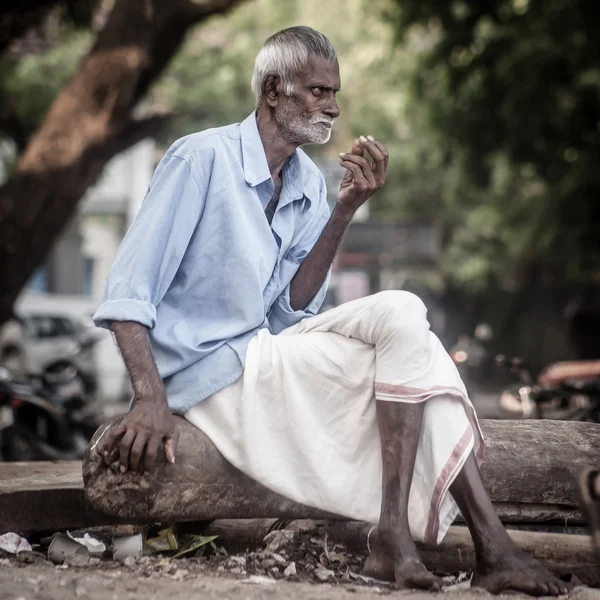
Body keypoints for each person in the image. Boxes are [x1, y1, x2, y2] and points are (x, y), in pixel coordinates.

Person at [93, 26, 568, 596]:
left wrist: (344, 208)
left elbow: (293, 306)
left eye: (334, 92)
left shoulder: (307, 184)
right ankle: (484, 548)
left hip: (266, 355)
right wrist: (149, 398)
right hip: (211, 374)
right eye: (317, 91)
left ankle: (404, 534)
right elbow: (128, 293)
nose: (333, 107)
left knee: (403, 316)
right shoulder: (200, 160)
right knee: (409, 347)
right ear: (273, 90)